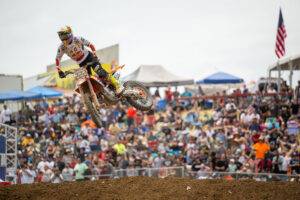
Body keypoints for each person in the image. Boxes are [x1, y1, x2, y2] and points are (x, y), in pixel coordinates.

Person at [55, 26, 123, 94]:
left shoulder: (78, 39)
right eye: (61, 37)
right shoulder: (61, 47)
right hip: (81, 64)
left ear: (70, 33)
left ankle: (117, 85)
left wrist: (94, 54)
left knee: (100, 72)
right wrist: (59, 70)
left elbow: (90, 45)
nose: (63, 39)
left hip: (90, 57)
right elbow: (57, 59)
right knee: (85, 80)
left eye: (64, 36)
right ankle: (98, 94)